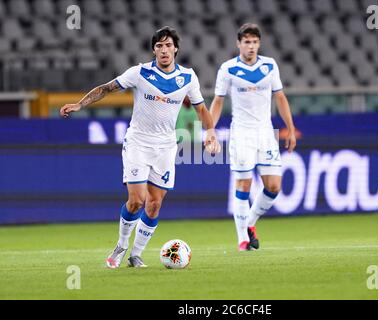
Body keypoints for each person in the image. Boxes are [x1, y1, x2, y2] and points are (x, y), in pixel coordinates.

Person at [60, 26, 221, 268]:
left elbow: (201, 109)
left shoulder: (188, 77)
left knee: (155, 203)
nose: (164, 50)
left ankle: (136, 254)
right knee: (137, 200)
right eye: (159, 46)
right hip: (138, 142)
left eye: (168, 45)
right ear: (154, 50)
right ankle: (121, 246)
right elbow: (106, 88)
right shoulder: (140, 72)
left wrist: (211, 133)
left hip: (166, 146)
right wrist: (80, 104)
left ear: (176, 48)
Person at [209, 23, 297, 251]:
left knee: (274, 186)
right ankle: (242, 240)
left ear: (259, 44)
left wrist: (290, 127)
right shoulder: (227, 69)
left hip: (266, 133)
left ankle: (249, 223)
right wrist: (210, 130)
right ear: (239, 44)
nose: (251, 46)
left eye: (255, 42)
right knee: (244, 183)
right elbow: (218, 101)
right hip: (241, 133)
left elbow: (280, 97)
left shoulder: (270, 65)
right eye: (246, 42)